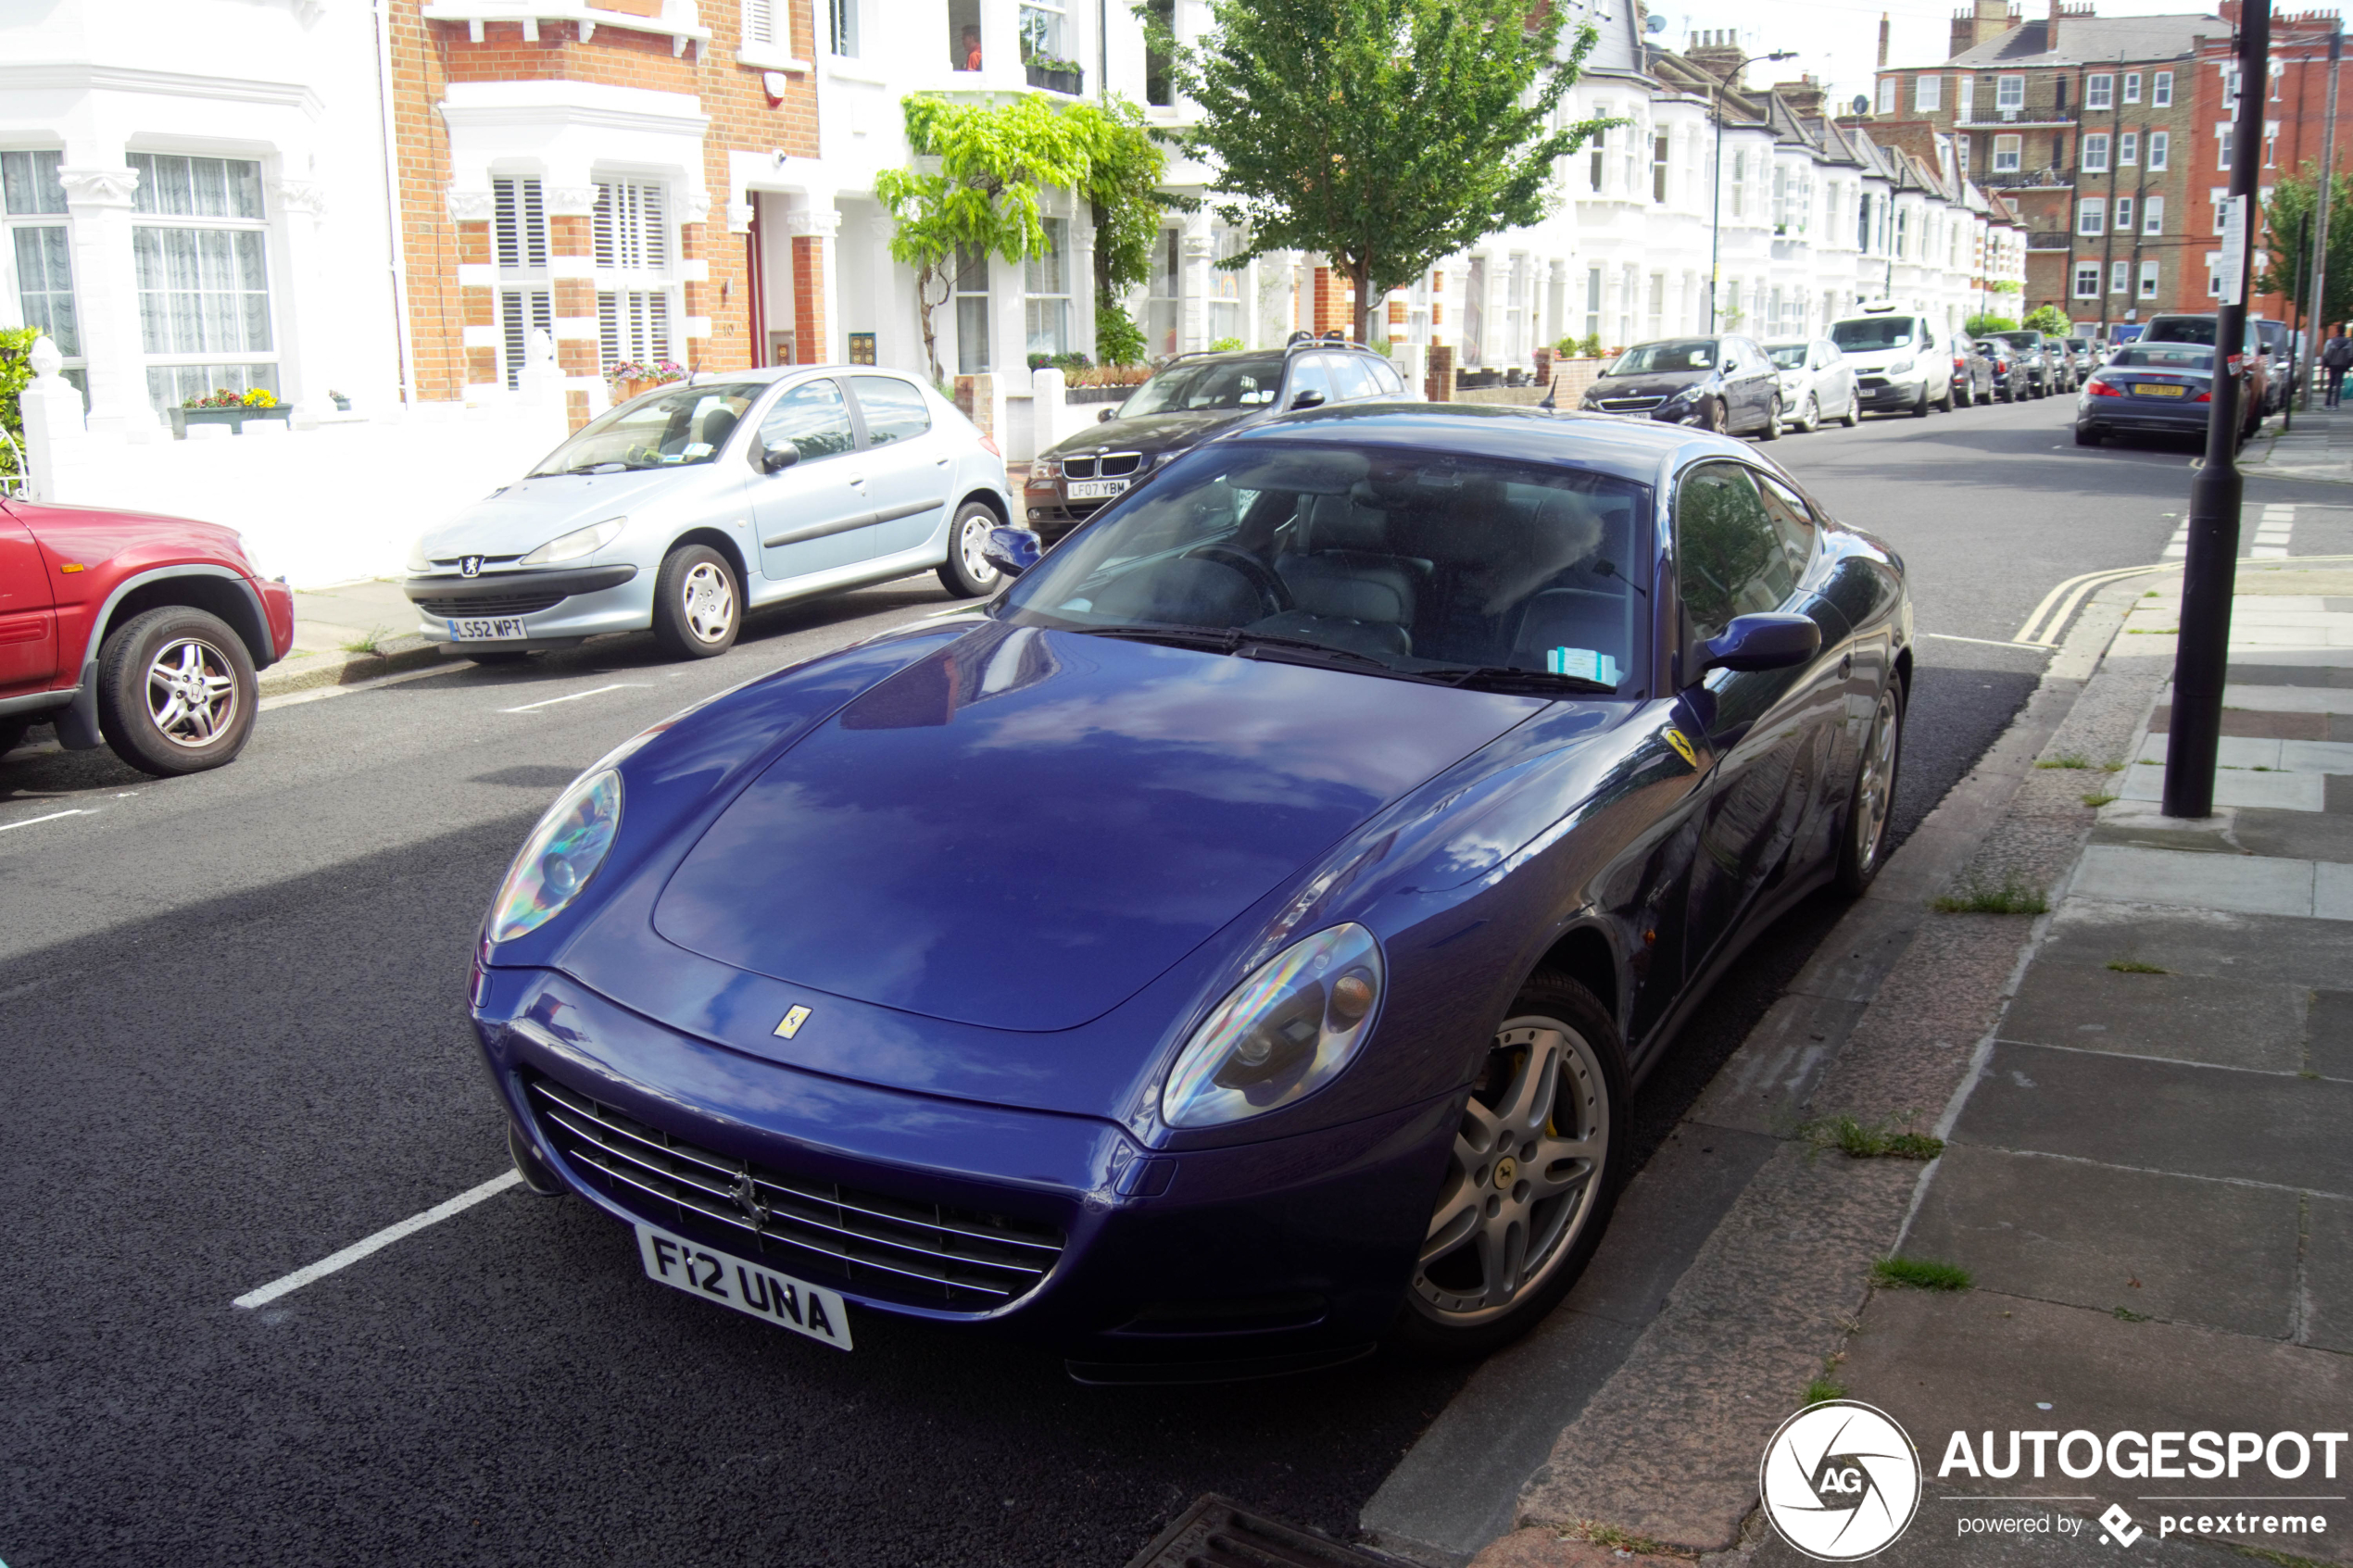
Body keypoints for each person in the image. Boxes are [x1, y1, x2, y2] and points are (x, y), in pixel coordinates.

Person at [2322, 324, 2353, 409]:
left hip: (2332, 365)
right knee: (2339, 385)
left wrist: (2325, 365)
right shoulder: (2349, 342)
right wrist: (2348, 366)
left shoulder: (2330, 341)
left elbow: (2325, 354)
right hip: (2342, 365)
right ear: (2344, 331)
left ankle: (2327, 404)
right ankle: (2335, 404)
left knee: (2331, 384)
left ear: (2337, 330)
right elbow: (2350, 356)